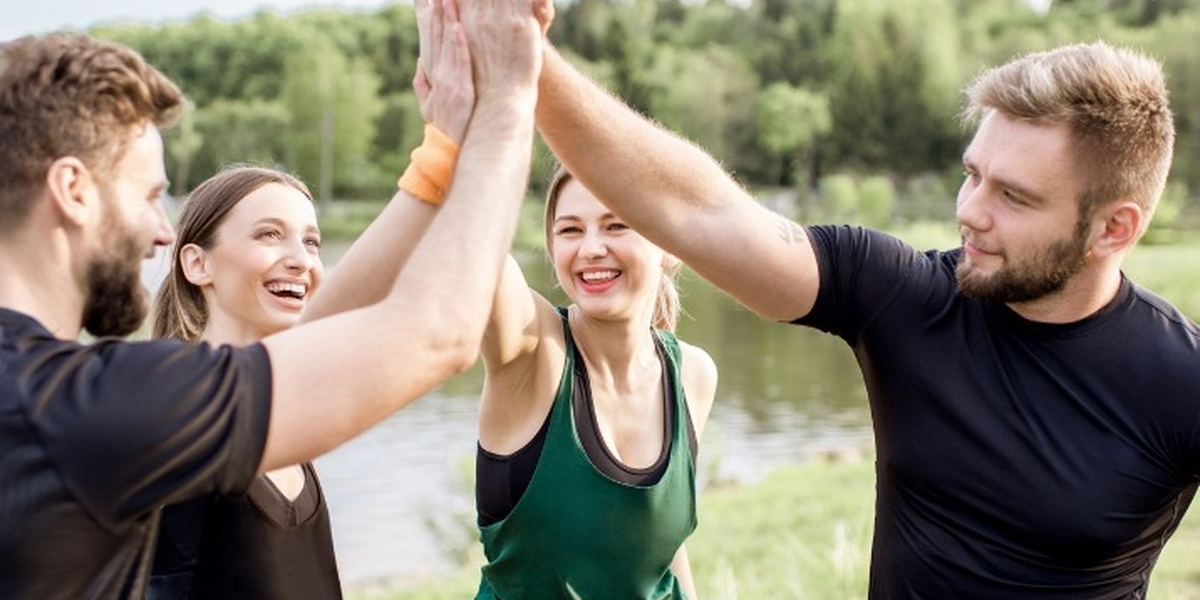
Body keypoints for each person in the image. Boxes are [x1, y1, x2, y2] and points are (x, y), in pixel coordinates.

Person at [526, 35, 1199, 598]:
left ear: (1113, 230)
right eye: (973, 174)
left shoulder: (1179, 379)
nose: (970, 209)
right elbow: (700, 212)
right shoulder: (904, 297)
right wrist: (525, 58)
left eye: (1015, 198)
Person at [0, 0, 548, 595]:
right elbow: (436, 334)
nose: (162, 229)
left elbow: (324, 331)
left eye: (311, 242)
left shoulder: (46, 396)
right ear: (73, 191)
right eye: (148, 194)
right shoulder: (75, 406)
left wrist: (443, 150)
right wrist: (509, 105)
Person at [473, 166, 717, 599]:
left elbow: (662, 548)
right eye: (570, 230)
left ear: (669, 245)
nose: (590, 248)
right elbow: (475, 247)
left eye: (616, 225)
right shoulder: (532, 352)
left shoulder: (692, 374)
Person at [144, 167, 339, 600]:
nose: (301, 260)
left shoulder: (282, 418)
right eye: (269, 235)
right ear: (197, 263)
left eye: (311, 242)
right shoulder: (175, 411)